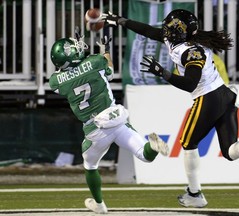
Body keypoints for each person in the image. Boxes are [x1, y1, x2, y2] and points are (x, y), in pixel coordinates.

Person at [101, 9, 239, 208]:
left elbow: (190, 83)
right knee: (229, 151)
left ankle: (195, 194)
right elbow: (148, 31)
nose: (165, 29)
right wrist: (121, 21)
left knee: (187, 142)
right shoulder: (180, 41)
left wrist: (163, 73)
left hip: (208, 98)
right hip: (225, 95)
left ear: (178, 31)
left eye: (170, 26)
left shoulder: (191, 51)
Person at [49, 32, 169, 214]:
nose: (77, 47)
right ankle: (152, 146)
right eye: (72, 48)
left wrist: (77, 61)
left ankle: (99, 204)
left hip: (95, 128)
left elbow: (66, 76)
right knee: (145, 155)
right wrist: (105, 51)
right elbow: (110, 71)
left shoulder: (55, 81)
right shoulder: (96, 61)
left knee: (90, 165)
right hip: (116, 118)